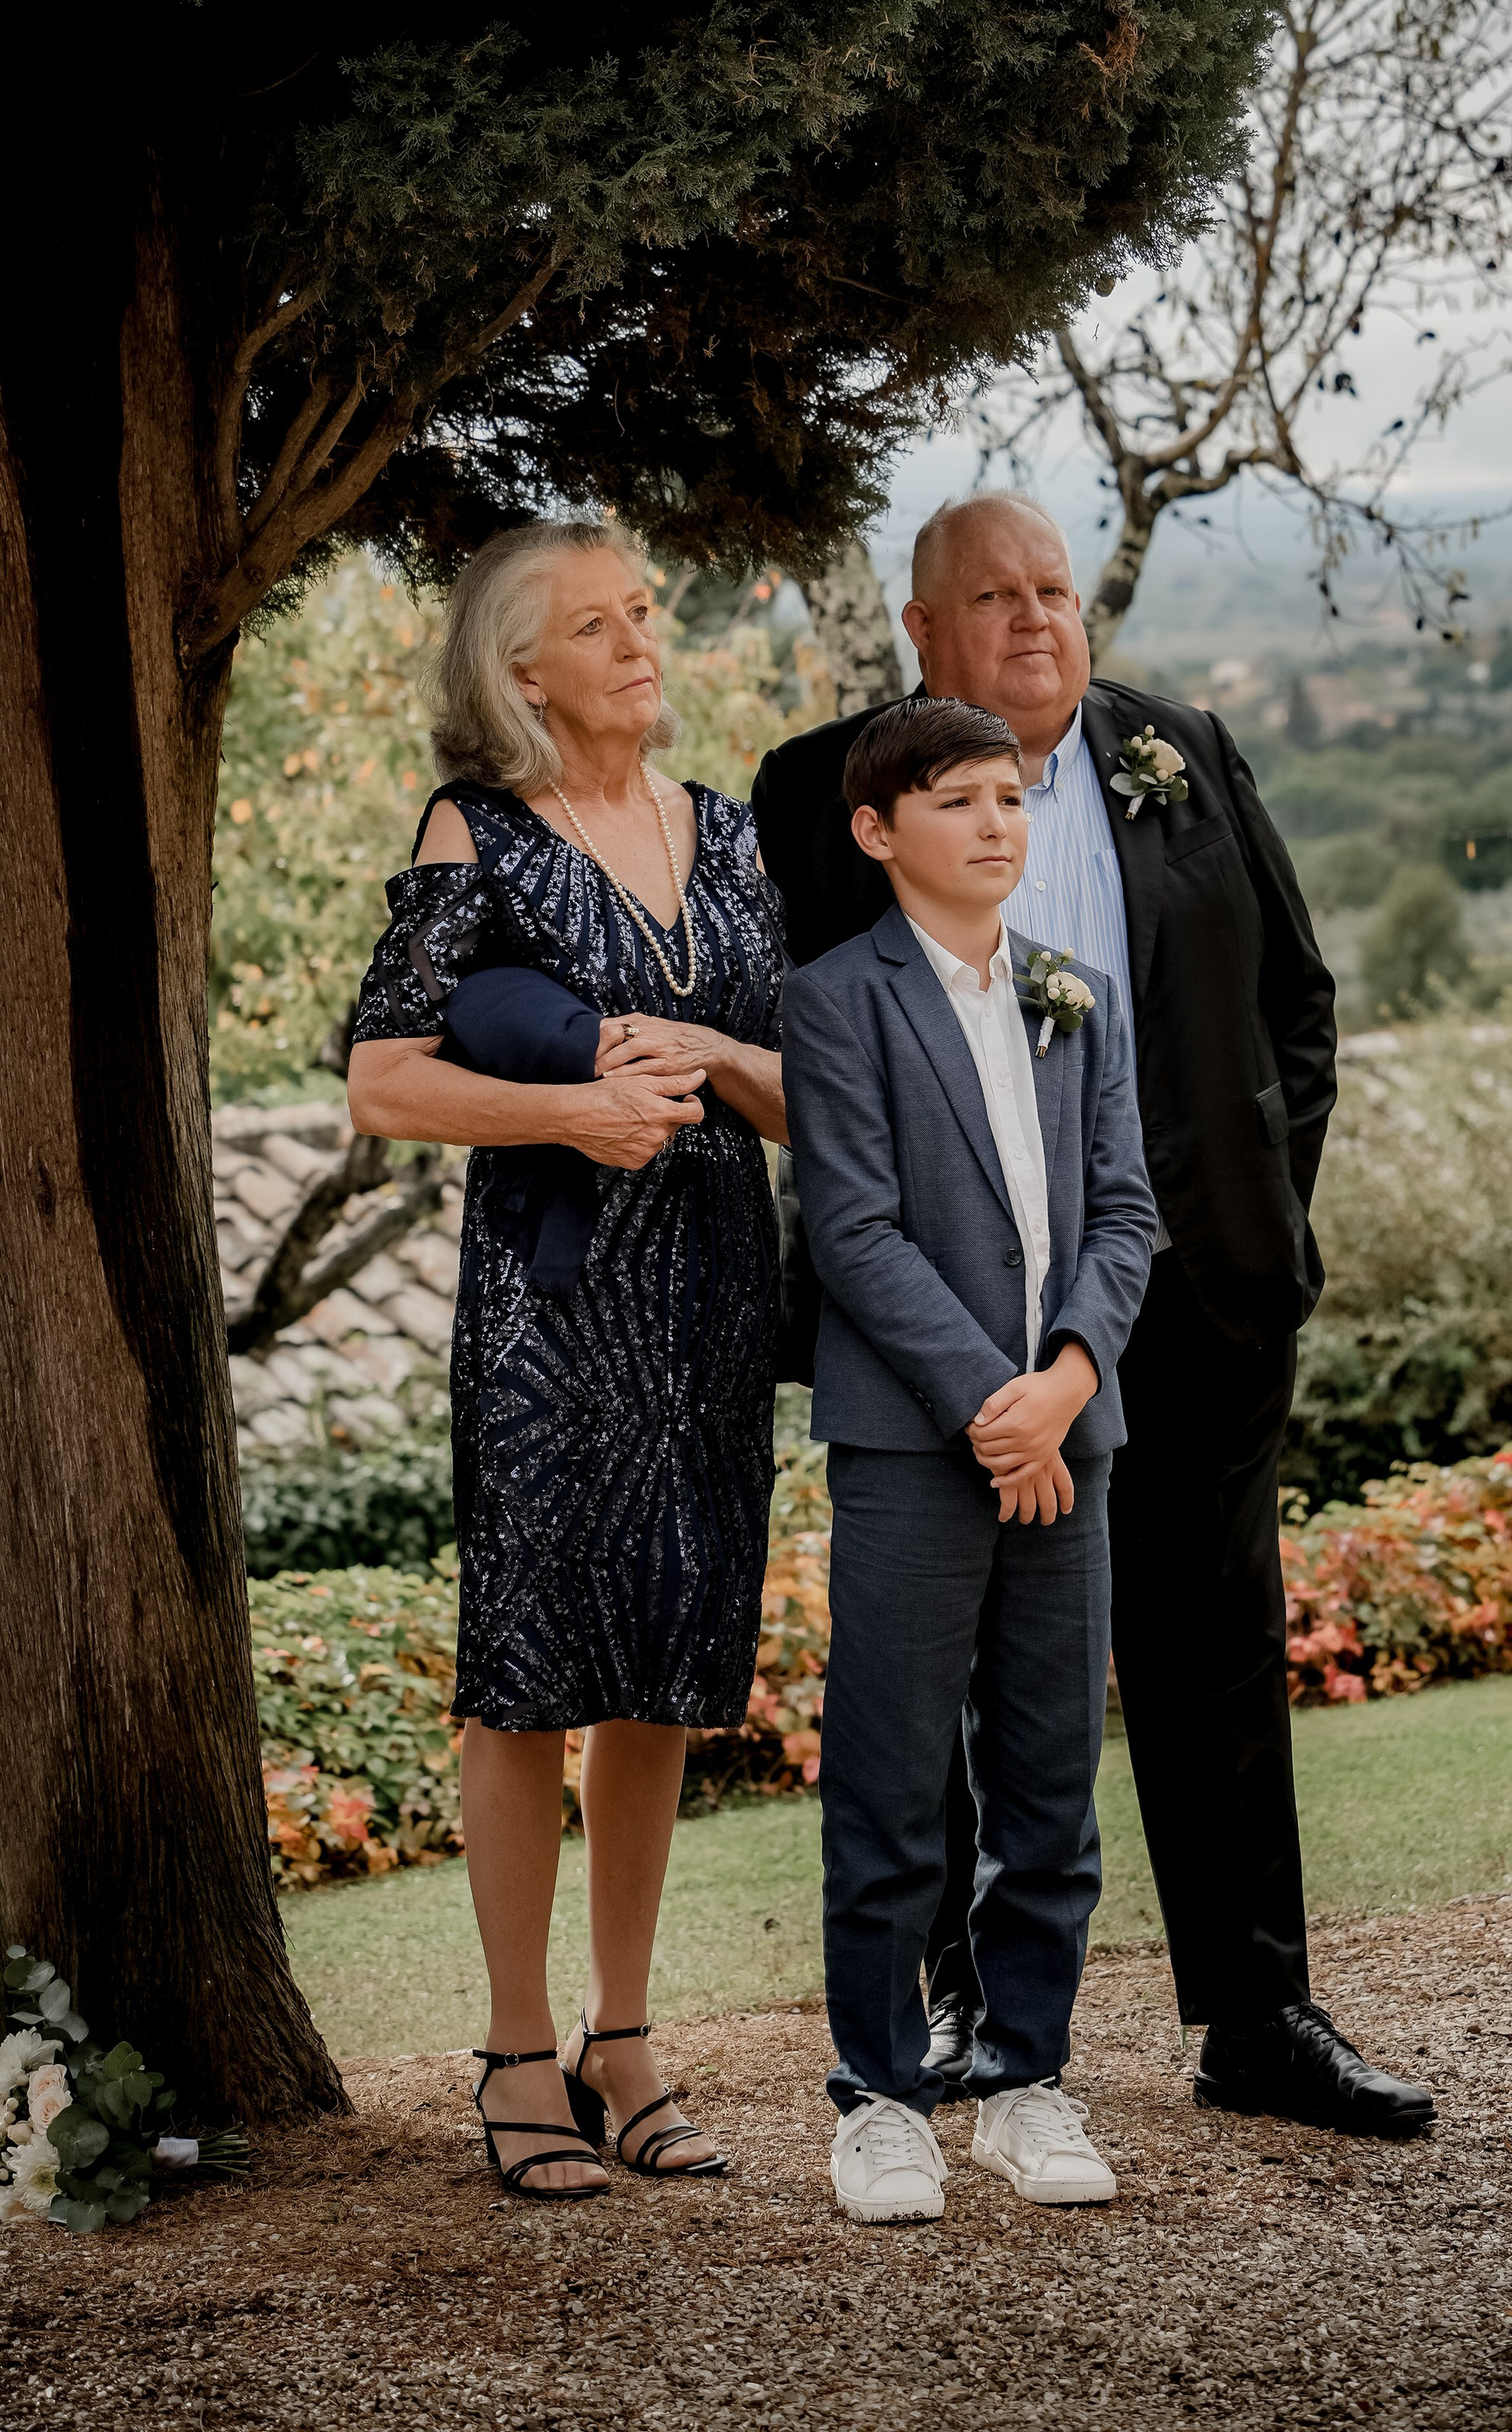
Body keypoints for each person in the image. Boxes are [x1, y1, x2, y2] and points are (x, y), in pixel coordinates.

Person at [753, 495, 1435, 2137]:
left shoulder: (1177, 750)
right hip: (943, 1321)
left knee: (1215, 1651)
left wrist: (1250, 1215)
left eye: (1053, 590)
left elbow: (1295, 1008)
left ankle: (1257, 2017)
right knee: (945, 1680)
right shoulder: (821, 791)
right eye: (995, 596)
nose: (1036, 619)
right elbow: (800, 1043)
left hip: (1184, 1293)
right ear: (923, 631)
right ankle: (955, 2016)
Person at [347, 517, 788, 2196]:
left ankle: (627, 2039)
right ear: (521, 672)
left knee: (661, 1664)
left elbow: (805, 1095)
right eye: (595, 626)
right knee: (528, 1673)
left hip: (712, 1305)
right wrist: (570, 1112)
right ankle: (517, 2050)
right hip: (549, 1317)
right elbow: (383, 1080)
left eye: (642, 613)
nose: (638, 643)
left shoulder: (727, 833)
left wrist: (712, 1053)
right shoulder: (479, 833)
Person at [780, 698, 1157, 2223]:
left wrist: (1061, 1386)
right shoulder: (833, 1001)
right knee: (890, 1788)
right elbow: (854, 1232)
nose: (996, 823)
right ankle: (879, 2102)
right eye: (957, 800)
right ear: (878, 831)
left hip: (1068, 1441)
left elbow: (1126, 1213)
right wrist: (991, 1410)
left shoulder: (1077, 993)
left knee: (1049, 1783)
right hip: (911, 1448)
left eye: (1009, 797)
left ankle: (1024, 2082)